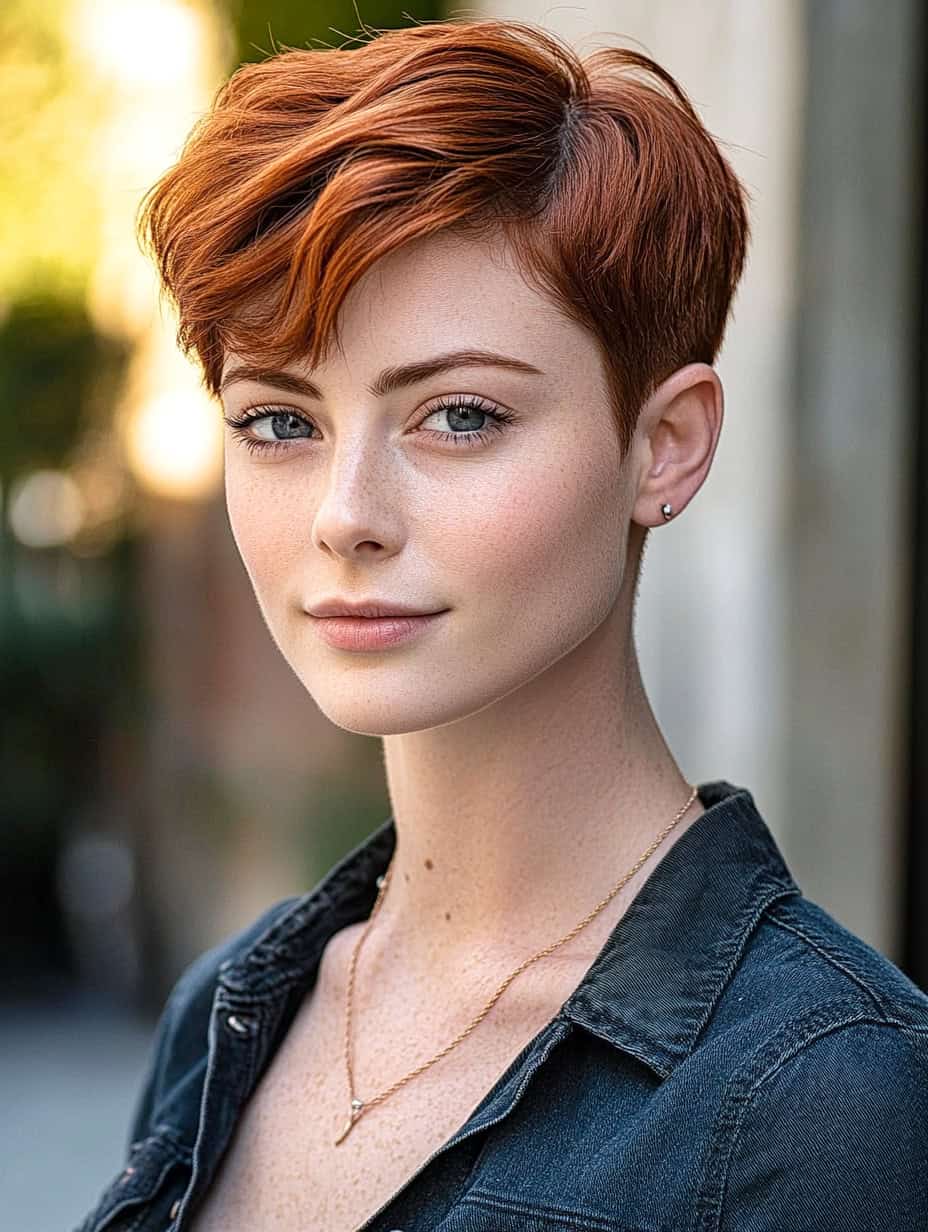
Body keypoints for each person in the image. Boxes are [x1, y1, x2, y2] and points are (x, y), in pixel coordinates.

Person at [76, 16, 928, 1232]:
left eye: (460, 415)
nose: (345, 515)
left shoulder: (829, 1098)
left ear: (665, 445)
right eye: (279, 420)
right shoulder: (229, 1009)